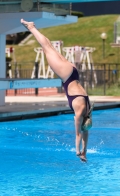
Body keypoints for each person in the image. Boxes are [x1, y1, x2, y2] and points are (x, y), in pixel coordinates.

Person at [20, 19, 93, 162]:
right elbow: (79, 134)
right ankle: (31, 27)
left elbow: (85, 133)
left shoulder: (88, 110)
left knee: (50, 47)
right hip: (66, 75)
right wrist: (78, 152)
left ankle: (32, 27)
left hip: (73, 72)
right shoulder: (79, 113)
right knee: (46, 48)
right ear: (82, 120)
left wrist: (85, 151)